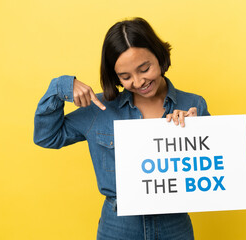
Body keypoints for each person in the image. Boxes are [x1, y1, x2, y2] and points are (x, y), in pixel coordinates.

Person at [34, 17, 209, 240]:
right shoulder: (99, 109)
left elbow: (211, 173)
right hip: (118, 225)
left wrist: (194, 130)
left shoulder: (193, 104)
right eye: (125, 77)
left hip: (174, 224)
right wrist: (61, 88)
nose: (138, 82)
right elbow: (46, 137)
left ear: (159, 56)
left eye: (144, 68)